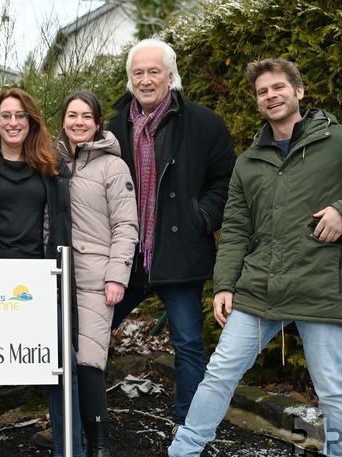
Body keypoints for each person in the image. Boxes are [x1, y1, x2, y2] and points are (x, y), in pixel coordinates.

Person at [169, 58, 342, 456]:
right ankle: (184, 451)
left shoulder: (335, 142)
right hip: (259, 287)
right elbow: (235, 231)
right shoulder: (248, 162)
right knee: (218, 375)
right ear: (258, 103)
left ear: (299, 91)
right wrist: (225, 284)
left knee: (333, 392)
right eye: (262, 92)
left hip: (319, 286)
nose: (271, 96)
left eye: (278, 87)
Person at [107, 38, 237, 429]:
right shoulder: (113, 126)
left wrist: (201, 216)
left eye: (153, 71)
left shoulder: (204, 122)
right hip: (126, 255)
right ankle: (80, 421)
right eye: (138, 73)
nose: (146, 80)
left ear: (170, 75)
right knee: (89, 337)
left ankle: (190, 428)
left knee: (188, 344)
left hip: (180, 249)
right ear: (130, 79)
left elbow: (227, 181)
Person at [0, 88, 83, 457]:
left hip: (40, 283)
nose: (13, 122)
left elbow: (61, 223)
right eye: (6, 116)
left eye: (20, 116)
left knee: (63, 367)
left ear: (32, 122)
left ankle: (68, 451)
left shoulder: (51, 163)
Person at [57, 90, 138, 456]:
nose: (78, 122)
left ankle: (100, 444)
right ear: (63, 121)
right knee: (59, 362)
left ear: (98, 122)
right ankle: (70, 436)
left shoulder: (113, 166)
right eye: (72, 115)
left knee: (89, 361)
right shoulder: (50, 161)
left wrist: (117, 275)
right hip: (55, 279)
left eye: (86, 116)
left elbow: (126, 225)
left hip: (94, 277)